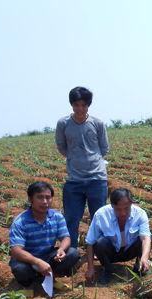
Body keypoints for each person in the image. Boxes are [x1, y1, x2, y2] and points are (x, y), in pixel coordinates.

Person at [55, 86, 110, 248]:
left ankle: (99, 251)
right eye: (76, 105)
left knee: (98, 217)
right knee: (71, 218)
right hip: (74, 179)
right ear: (71, 105)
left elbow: (104, 148)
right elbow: (61, 147)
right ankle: (70, 252)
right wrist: (75, 158)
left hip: (97, 179)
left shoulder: (97, 123)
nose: (80, 108)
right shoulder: (63, 123)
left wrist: (91, 160)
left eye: (84, 105)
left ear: (88, 106)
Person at [9, 181, 79, 288]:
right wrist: (37, 262)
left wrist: (61, 249)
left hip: (48, 255)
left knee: (72, 253)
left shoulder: (57, 216)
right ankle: (29, 284)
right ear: (30, 199)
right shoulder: (20, 222)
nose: (45, 201)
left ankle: (50, 277)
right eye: (40, 197)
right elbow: (16, 251)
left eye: (48, 197)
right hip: (28, 260)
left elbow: (66, 237)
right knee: (20, 269)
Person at [84, 188, 152, 284]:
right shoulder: (101, 215)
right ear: (112, 206)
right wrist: (90, 268)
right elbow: (90, 243)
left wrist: (145, 257)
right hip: (111, 253)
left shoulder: (140, 214)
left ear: (131, 204)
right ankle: (107, 270)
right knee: (99, 244)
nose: (123, 213)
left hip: (130, 251)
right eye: (118, 209)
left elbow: (145, 238)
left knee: (147, 237)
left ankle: (139, 266)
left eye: (126, 208)